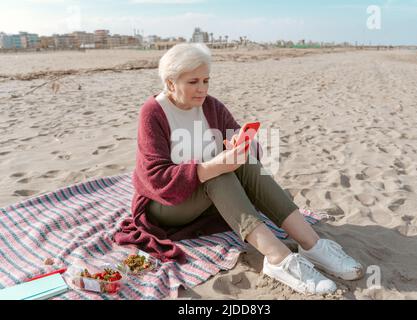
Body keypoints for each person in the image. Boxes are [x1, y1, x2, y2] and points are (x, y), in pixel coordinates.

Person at [126, 43, 363, 295]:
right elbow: (156, 180)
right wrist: (213, 166)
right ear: (171, 83)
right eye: (193, 81)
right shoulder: (153, 112)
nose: (202, 88)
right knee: (220, 173)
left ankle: (311, 244)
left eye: (206, 80)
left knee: (245, 161)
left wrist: (242, 145)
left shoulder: (210, 105)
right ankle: (278, 259)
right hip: (165, 205)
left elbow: (240, 137)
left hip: (206, 195)